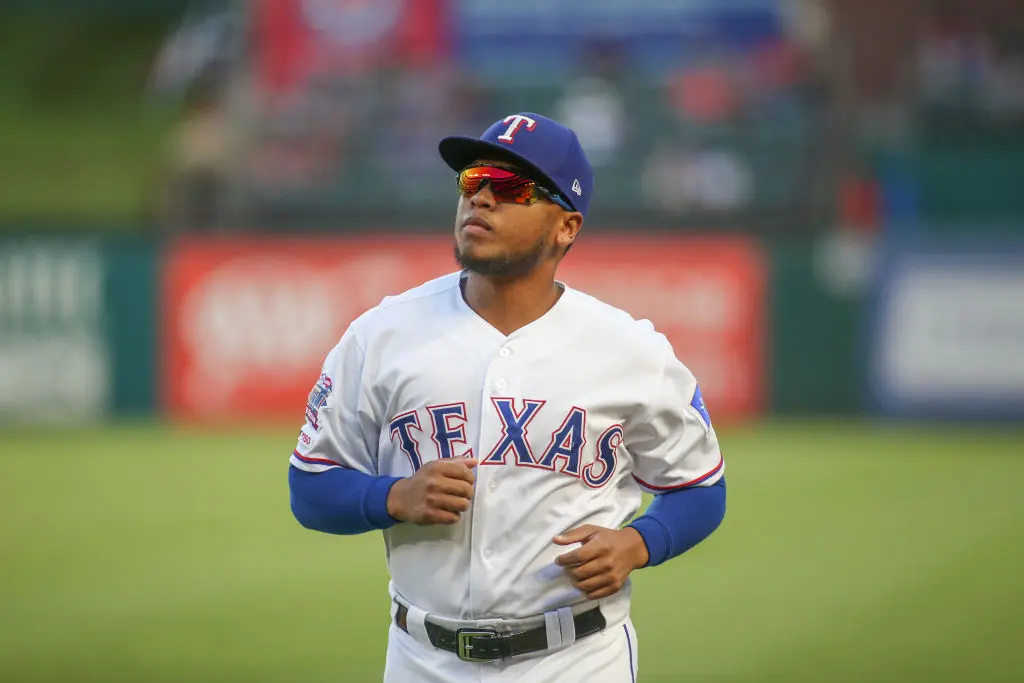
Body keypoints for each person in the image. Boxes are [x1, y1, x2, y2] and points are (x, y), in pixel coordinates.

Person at [288, 113, 727, 683]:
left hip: (578, 660)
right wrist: (391, 496)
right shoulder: (382, 335)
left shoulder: (631, 350)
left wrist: (641, 542)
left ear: (567, 227)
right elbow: (311, 486)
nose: (483, 198)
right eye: (473, 181)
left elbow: (700, 487)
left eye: (513, 187)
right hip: (423, 659)